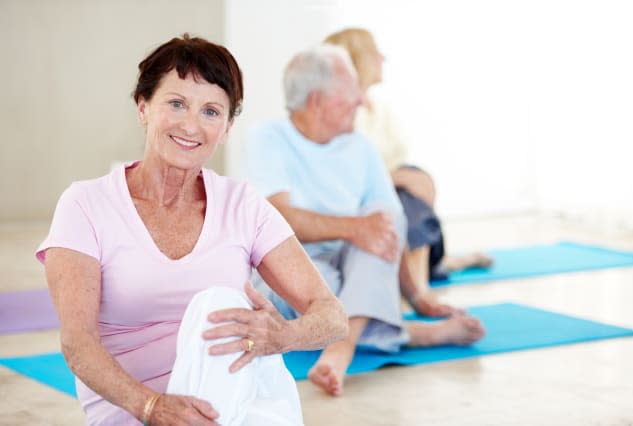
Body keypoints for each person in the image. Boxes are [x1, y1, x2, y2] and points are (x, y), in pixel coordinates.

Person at [36, 34, 347, 425]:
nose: (191, 125)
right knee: (220, 303)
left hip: (230, 401)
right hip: (137, 410)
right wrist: (152, 406)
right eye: (177, 103)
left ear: (228, 125)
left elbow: (333, 315)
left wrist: (284, 336)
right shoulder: (85, 204)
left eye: (212, 111)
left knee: (225, 309)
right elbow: (77, 344)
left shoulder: (242, 204)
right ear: (143, 107)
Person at [246, 44, 485, 397]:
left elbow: (389, 227)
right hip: (300, 268)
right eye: (351, 93)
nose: (362, 101)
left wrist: (416, 295)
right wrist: (353, 228)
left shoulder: (360, 146)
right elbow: (280, 218)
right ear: (317, 101)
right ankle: (407, 333)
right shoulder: (268, 138)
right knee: (321, 294)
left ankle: (340, 347)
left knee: (382, 224)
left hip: (359, 268)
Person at [324, 28, 493, 309]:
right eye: (375, 51)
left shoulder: (380, 111)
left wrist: (411, 178)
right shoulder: (335, 115)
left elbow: (397, 163)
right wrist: (396, 178)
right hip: (366, 211)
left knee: (410, 198)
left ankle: (436, 270)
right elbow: (345, 178)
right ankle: (421, 289)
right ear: (358, 59)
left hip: (397, 212)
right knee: (406, 203)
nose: (382, 57)